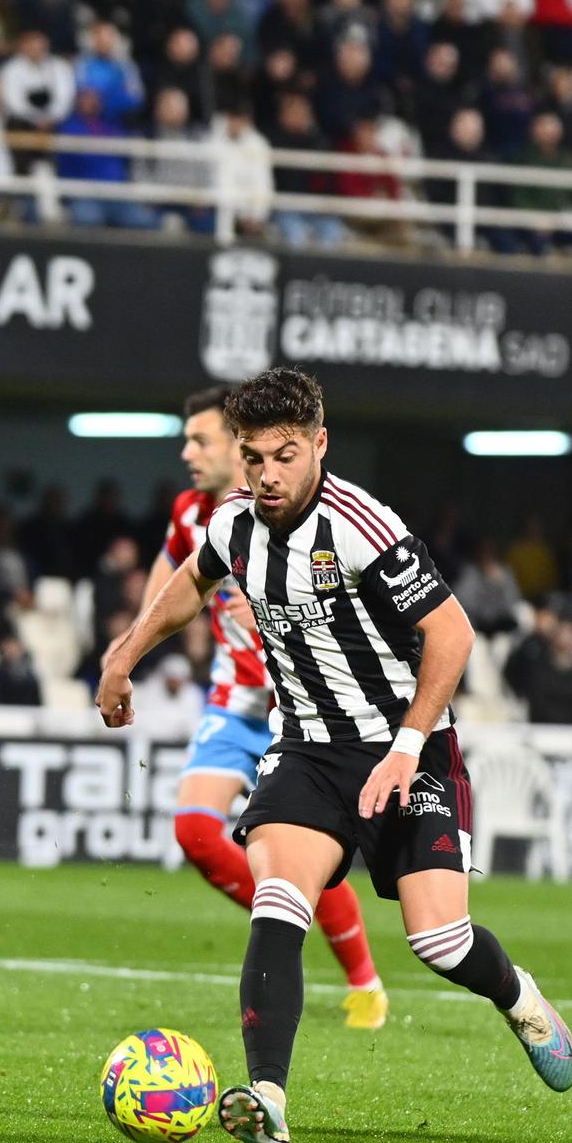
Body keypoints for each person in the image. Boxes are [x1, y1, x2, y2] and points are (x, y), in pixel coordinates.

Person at [99, 368, 572, 1143]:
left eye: (285, 455)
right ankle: (270, 1102)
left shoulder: (362, 526)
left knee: (440, 941)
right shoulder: (232, 525)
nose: (268, 475)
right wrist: (124, 657)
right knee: (278, 900)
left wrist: (405, 746)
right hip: (307, 750)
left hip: (406, 744)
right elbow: (189, 583)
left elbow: (452, 636)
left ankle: (520, 997)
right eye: (253, 458)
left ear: (319, 444)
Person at [135, 386, 389, 1030]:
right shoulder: (195, 514)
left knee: (302, 855)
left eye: (201, 440)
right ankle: (287, 914)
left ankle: (363, 980)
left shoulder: (299, 516)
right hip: (235, 698)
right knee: (195, 831)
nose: (188, 452)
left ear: (238, 446)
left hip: (303, 714)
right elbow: (173, 580)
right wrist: (129, 650)